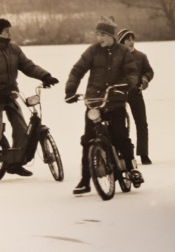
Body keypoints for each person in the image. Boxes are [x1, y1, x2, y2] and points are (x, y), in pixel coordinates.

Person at [0, 18, 59, 182]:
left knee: (22, 130)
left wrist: (45, 75)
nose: (10, 33)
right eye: (7, 30)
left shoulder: (13, 49)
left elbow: (27, 65)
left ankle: (14, 164)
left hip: (10, 95)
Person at [65, 16, 144, 195]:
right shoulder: (92, 51)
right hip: (94, 101)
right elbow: (77, 70)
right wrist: (70, 90)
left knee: (120, 136)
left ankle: (131, 168)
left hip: (115, 101)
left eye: (102, 35)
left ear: (111, 36)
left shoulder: (123, 52)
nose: (99, 38)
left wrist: (125, 85)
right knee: (88, 140)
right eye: (97, 34)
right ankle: (85, 180)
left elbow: (132, 73)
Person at [117, 29, 154, 165]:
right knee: (119, 125)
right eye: (128, 39)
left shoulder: (141, 56)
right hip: (119, 94)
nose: (131, 42)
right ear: (122, 42)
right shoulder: (116, 57)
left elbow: (149, 71)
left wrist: (144, 80)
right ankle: (123, 153)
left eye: (133, 39)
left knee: (142, 123)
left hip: (136, 93)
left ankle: (144, 154)